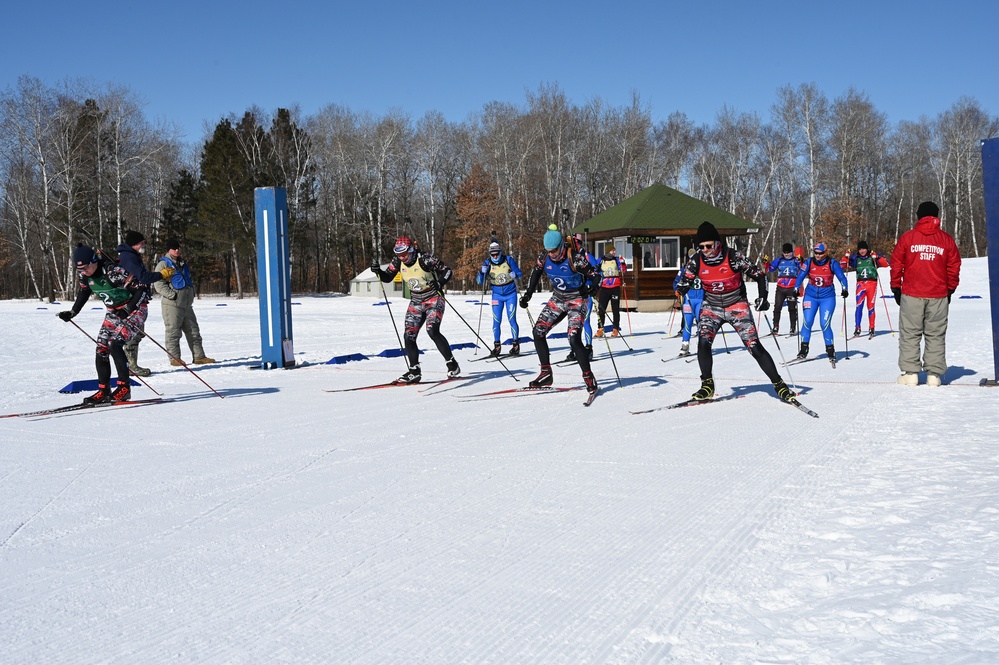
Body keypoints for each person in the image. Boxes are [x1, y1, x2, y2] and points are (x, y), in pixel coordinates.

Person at [674, 222, 795, 403]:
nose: (705, 250)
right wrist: (679, 292)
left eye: (708, 246)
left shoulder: (733, 257)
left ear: (717, 243)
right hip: (712, 306)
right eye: (701, 247)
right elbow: (686, 280)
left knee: (754, 347)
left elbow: (759, 275)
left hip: (736, 305)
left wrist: (763, 297)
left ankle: (778, 384)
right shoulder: (696, 260)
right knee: (703, 342)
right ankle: (707, 384)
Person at [56, 244, 153, 403]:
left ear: (94, 261)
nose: (83, 271)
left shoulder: (113, 272)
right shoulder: (84, 275)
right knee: (101, 347)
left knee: (115, 344)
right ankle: (103, 390)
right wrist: (73, 312)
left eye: (86, 267)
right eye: (80, 269)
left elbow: (141, 289)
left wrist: (128, 310)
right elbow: (85, 291)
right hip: (113, 311)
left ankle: (124, 388)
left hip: (136, 308)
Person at [518, 225, 601, 395]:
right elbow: (536, 273)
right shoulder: (545, 256)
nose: (551, 254)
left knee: (573, 338)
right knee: (538, 331)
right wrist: (528, 294)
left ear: (562, 246)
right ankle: (546, 373)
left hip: (577, 299)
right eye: (548, 251)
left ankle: (588, 376)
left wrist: (591, 289)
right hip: (558, 298)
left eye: (554, 250)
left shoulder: (575, 258)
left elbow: (596, 276)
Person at [889, 201, 961, 387]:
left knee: (910, 333)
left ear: (918, 216)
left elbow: (897, 263)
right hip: (938, 295)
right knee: (935, 334)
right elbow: (954, 266)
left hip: (912, 293)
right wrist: (950, 288)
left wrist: (896, 287)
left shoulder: (908, 238)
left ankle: (911, 373)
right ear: (937, 216)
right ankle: (934, 375)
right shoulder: (946, 240)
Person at [371, 236, 459, 384]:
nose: (402, 257)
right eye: (399, 254)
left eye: (404, 253)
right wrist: (378, 271)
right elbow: (387, 278)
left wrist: (440, 283)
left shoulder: (425, 259)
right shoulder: (397, 261)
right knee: (409, 335)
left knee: (432, 330)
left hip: (433, 298)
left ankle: (452, 363)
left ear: (411, 250)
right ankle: (414, 371)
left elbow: (447, 271)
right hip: (416, 300)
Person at [115, 230, 173, 376]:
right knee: (134, 333)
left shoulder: (131, 255)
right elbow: (143, 277)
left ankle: (130, 364)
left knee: (137, 332)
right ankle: (130, 366)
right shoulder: (129, 257)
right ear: (135, 244)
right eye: (141, 242)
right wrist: (161, 274)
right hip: (132, 299)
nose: (144, 245)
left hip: (136, 298)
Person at [153, 238, 216, 366]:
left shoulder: (182, 263)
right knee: (173, 331)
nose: (177, 251)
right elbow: (158, 284)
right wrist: (172, 295)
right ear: (169, 249)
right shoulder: (163, 264)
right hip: (172, 304)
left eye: (178, 248)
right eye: (174, 248)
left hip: (186, 304)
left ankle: (199, 356)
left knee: (193, 330)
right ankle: (175, 358)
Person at [793, 242, 849, 362]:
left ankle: (830, 350)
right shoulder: (809, 262)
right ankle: (803, 349)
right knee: (807, 321)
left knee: (824, 324)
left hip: (827, 298)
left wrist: (845, 288)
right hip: (810, 296)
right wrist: (796, 288)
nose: (817, 256)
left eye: (820, 253)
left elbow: (842, 277)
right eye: (816, 253)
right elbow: (801, 276)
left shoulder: (832, 263)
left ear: (825, 253)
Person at [475, 238, 523, 356]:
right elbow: (479, 282)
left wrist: (515, 274)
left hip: (510, 293)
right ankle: (497, 346)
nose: (495, 257)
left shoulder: (508, 260)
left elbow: (520, 274)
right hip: (496, 295)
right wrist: (482, 272)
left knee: (512, 319)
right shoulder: (487, 263)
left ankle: (515, 345)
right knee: (496, 321)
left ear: (500, 252)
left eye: (497, 254)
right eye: (493, 255)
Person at [563, 233, 598, 362]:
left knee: (585, 320)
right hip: (573, 294)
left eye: (574, 243)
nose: (571, 245)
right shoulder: (569, 256)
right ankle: (575, 349)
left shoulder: (587, 256)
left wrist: (593, 286)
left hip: (586, 293)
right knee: (572, 323)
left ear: (579, 243)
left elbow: (598, 274)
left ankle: (588, 348)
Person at [848, 240, 890, 337]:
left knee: (870, 306)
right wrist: (846, 257)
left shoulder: (872, 256)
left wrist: (878, 258)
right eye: (860, 249)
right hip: (860, 284)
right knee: (859, 306)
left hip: (872, 284)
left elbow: (886, 263)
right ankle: (857, 328)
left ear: (867, 249)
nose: (862, 251)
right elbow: (844, 264)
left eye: (864, 249)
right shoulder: (856, 258)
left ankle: (872, 328)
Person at [765, 243, 802, 335]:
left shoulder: (795, 260)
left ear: (792, 252)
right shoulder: (779, 260)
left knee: (792, 308)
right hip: (780, 288)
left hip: (791, 288)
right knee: (777, 307)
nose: (787, 254)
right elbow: (770, 269)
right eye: (785, 252)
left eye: (788, 252)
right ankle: (775, 327)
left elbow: (803, 269)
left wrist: (801, 261)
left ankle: (792, 328)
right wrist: (766, 262)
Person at [671, 258, 703, 357]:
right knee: (692, 323)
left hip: (697, 300)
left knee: (697, 324)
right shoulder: (686, 269)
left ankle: (696, 346)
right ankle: (687, 346)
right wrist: (678, 291)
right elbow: (676, 283)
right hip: (692, 300)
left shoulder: (687, 268)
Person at [594, 244, 627, 337]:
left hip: (615, 287)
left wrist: (623, 263)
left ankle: (615, 328)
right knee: (601, 309)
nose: (614, 252)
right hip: (604, 287)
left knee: (615, 309)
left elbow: (623, 270)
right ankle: (600, 328)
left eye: (614, 250)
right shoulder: (601, 260)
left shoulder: (616, 260)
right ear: (608, 251)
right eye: (613, 250)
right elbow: (595, 269)